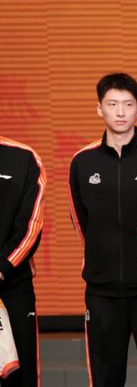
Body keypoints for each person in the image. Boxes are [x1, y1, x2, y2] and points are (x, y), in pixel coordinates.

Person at [68, 73, 137, 386]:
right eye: (112, 104)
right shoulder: (82, 162)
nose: (120, 112)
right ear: (99, 108)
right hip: (102, 293)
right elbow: (82, 222)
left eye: (128, 104)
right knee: (106, 380)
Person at [0, 136, 45, 387]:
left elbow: (31, 226)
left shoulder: (24, 158)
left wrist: (3, 268)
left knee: (20, 377)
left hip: (13, 287)